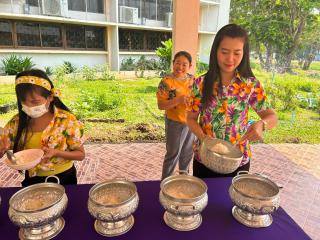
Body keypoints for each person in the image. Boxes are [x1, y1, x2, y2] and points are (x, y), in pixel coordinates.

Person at [186, 24, 277, 178]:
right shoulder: (200, 83)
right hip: (205, 159)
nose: (230, 59)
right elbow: (190, 118)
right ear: (215, 51)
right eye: (224, 52)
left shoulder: (250, 85)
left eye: (237, 53)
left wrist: (262, 124)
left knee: (232, 201)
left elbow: (272, 116)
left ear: (244, 53)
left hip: (238, 160)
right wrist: (205, 140)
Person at [0, 69, 85, 186]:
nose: (29, 106)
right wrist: (2, 150)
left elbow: (80, 155)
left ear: (50, 97)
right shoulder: (17, 122)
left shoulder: (66, 120)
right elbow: (3, 147)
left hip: (64, 178)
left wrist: (56, 152)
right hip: (32, 180)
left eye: (35, 101)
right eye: (23, 101)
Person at [157, 51, 195, 180]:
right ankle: (165, 182)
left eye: (184, 64)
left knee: (187, 153)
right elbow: (161, 105)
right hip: (175, 123)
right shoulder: (166, 82)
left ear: (190, 66)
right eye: (178, 63)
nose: (180, 67)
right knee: (173, 154)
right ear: (173, 64)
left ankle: (184, 180)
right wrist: (178, 100)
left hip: (191, 122)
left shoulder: (193, 80)